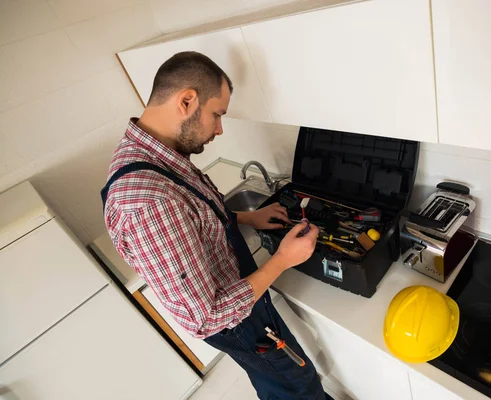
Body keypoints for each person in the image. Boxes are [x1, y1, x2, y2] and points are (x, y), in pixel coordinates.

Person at [101, 51, 331, 399]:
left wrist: (246, 217)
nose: (219, 129)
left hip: (239, 295)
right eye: (217, 115)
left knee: (275, 377)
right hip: (233, 318)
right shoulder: (147, 202)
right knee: (296, 382)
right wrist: (282, 260)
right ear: (187, 100)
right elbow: (206, 317)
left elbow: (193, 214)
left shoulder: (152, 152)